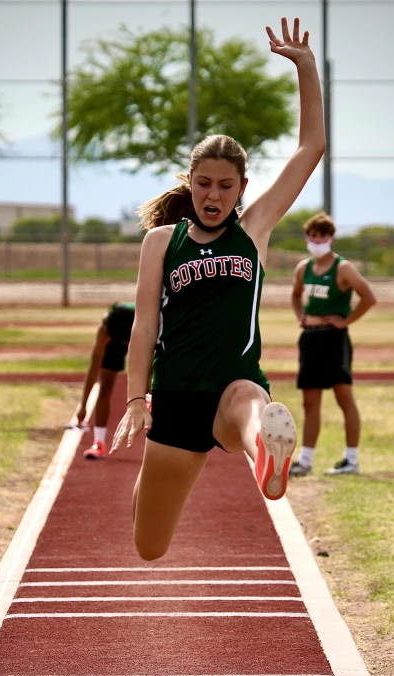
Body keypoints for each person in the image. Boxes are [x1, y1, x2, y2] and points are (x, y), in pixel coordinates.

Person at [110, 17, 325, 561]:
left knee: (252, 405)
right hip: (178, 397)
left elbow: (311, 148)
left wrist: (306, 66)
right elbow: (144, 328)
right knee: (148, 543)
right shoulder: (162, 241)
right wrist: (137, 399)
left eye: (225, 186)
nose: (213, 194)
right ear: (191, 182)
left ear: (242, 189)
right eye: (203, 183)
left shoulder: (254, 230)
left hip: (233, 384)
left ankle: (266, 451)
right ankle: (252, 449)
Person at [289, 212, 377, 477]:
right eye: (312, 236)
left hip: (334, 339)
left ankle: (351, 460)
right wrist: (300, 316)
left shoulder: (343, 267)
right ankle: (305, 461)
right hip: (310, 338)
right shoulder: (303, 268)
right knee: (309, 402)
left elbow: (368, 297)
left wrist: (346, 320)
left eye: (322, 236)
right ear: (307, 237)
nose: (316, 241)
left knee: (343, 396)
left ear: (331, 238)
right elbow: (295, 295)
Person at [74, 302, 135, 459]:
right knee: (105, 386)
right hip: (119, 337)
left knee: (151, 387)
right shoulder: (106, 330)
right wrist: (83, 406)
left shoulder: (148, 320)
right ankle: (99, 443)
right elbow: (94, 368)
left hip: (143, 332)